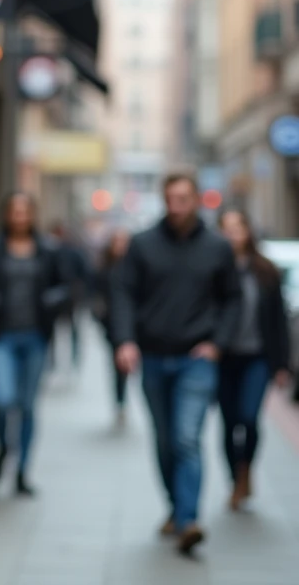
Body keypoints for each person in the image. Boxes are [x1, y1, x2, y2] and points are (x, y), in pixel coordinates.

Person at [112, 171, 242, 554]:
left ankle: (188, 520)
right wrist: (125, 342)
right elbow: (123, 294)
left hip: (196, 358)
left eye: (183, 198)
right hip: (152, 357)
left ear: (197, 200)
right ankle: (176, 506)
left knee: (187, 437)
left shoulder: (218, 247)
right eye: (170, 199)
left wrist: (218, 343)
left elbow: (232, 299)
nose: (176, 206)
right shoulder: (142, 245)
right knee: (166, 440)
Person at [0, 193, 70, 497]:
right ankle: (3, 447)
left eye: (25, 211)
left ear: (33, 215)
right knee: (2, 401)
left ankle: (22, 471)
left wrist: (51, 301)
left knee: (26, 406)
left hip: (35, 337)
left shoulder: (48, 250)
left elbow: (66, 286)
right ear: (6, 214)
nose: (20, 216)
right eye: (15, 211)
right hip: (1, 338)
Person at [215, 209, 292, 510]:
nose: (233, 234)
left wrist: (282, 364)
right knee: (228, 421)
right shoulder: (215, 270)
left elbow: (279, 321)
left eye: (238, 228)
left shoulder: (266, 271)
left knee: (248, 417)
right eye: (227, 228)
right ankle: (235, 478)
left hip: (257, 357)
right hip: (224, 357)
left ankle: (246, 469)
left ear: (248, 231)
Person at [92, 228, 132, 428]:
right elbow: (95, 295)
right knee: (118, 367)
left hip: (136, 327)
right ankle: (120, 402)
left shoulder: (136, 268)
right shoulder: (105, 270)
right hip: (112, 327)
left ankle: (123, 401)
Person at [46, 221, 90, 373]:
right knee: (55, 329)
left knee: (72, 327)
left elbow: (84, 272)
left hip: (71, 296)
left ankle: (74, 358)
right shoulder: (50, 251)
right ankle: (56, 360)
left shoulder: (71, 251)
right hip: (56, 297)